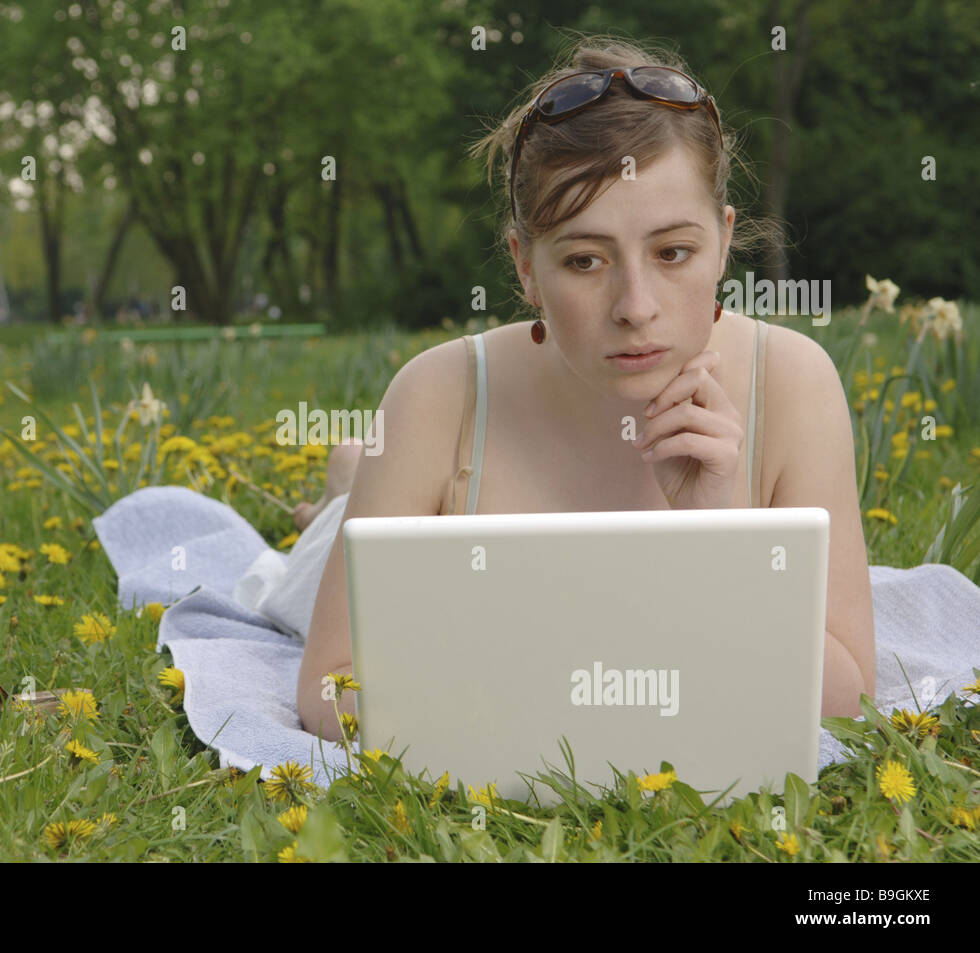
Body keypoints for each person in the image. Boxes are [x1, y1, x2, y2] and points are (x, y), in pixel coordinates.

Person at [294, 37, 878, 738]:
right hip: (391, 493)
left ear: (723, 243)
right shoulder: (438, 396)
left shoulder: (793, 384)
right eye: (584, 259)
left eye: (673, 252)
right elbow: (330, 688)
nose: (635, 305)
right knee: (340, 507)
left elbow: (851, 697)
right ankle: (342, 487)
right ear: (525, 268)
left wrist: (714, 543)